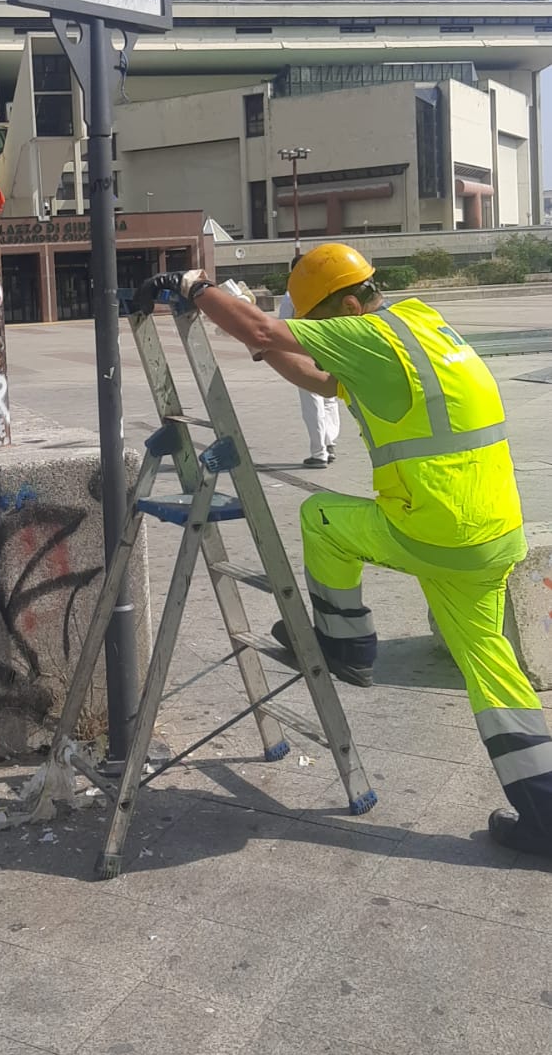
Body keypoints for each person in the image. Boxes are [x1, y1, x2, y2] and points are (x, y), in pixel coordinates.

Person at [136, 245, 552, 857]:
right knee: (493, 671)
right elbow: (321, 377)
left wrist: (198, 287)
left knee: (320, 517)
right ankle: (545, 814)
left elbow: (260, 325)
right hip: (489, 536)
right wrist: (271, 348)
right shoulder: (423, 328)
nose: (327, 335)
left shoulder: (371, 333)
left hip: (431, 527)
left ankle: (345, 642)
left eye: (328, 323)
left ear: (352, 305)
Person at [279, 257, 340, 468]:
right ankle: (330, 442)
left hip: (304, 352)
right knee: (329, 398)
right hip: (329, 350)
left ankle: (319, 452)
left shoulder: (292, 297)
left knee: (312, 402)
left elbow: (282, 327)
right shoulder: (326, 292)